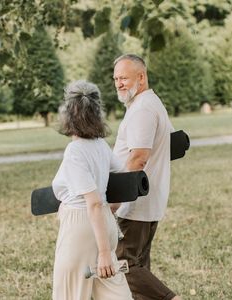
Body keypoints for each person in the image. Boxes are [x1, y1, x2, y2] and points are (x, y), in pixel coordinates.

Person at [52, 80, 133, 300]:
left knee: (70, 294)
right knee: (115, 293)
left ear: (68, 113)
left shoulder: (75, 151)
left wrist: (104, 252)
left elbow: (94, 202)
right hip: (104, 224)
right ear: (98, 113)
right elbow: (125, 178)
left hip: (81, 228)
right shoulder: (100, 146)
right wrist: (112, 208)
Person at [111, 54, 182, 300]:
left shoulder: (142, 109)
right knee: (140, 265)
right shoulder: (150, 103)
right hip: (147, 199)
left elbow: (138, 157)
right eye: (116, 79)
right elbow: (176, 144)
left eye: (124, 78)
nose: (119, 83)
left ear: (141, 77)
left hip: (135, 202)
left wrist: (115, 200)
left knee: (124, 265)